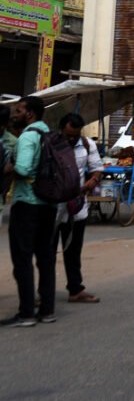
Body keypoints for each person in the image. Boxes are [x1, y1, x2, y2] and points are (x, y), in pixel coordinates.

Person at [3, 96, 58, 327]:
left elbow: (24, 168)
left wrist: (9, 168)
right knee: (46, 259)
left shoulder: (28, 136)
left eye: (18, 110)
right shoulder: (51, 134)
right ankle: (47, 310)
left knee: (23, 259)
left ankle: (26, 313)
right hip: (49, 205)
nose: (15, 114)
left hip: (27, 203)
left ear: (30, 114)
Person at [54, 114, 103, 304]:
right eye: (68, 135)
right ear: (61, 130)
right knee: (47, 253)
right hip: (53, 207)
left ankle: (75, 289)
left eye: (75, 135)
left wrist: (93, 180)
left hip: (76, 208)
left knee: (73, 252)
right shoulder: (51, 144)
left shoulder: (87, 144)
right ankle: (45, 293)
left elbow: (97, 167)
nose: (71, 139)